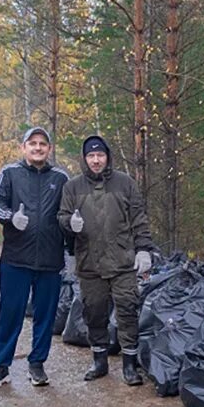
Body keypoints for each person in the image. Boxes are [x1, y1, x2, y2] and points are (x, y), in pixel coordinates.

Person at [58, 135, 155, 385]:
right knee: (94, 312)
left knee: (127, 311)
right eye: (91, 156)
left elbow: (139, 219)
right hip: (89, 263)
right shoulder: (73, 187)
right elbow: (62, 216)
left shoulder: (125, 183)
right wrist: (71, 223)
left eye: (100, 155)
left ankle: (129, 365)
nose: (96, 160)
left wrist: (144, 249)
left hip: (123, 261)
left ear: (107, 156)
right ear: (84, 158)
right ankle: (99, 361)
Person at [0, 127, 70, 389]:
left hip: (50, 259)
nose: (37, 148)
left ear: (49, 149)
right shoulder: (10, 173)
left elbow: (70, 210)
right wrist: (11, 217)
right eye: (32, 143)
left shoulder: (61, 178)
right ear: (23, 147)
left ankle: (37, 364)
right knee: (10, 313)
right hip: (16, 258)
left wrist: (74, 227)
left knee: (45, 315)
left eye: (42, 144)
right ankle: (1, 366)